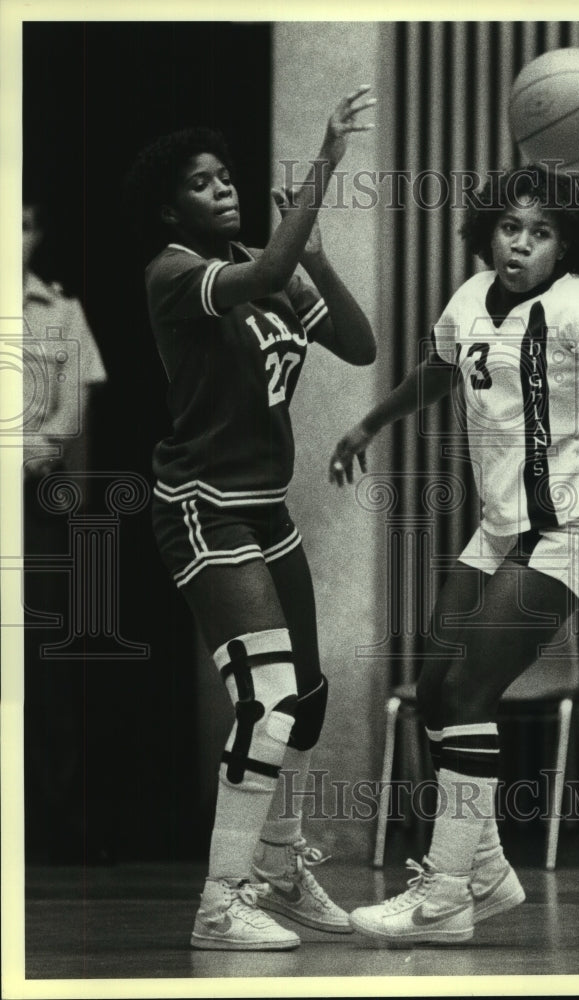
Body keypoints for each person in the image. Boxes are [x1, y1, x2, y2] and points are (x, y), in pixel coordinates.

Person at [329, 166, 579, 944]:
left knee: (473, 688)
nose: (521, 242)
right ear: (489, 231)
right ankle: (490, 871)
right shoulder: (469, 299)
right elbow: (433, 376)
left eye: (541, 233)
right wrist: (367, 426)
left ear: (567, 246)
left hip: (571, 527)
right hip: (501, 528)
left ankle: (444, 898)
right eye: (511, 227)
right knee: (439, 689)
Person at [123, 87, 376, 951]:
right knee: (264, 702)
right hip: (201, 509)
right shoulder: (175, 272)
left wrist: (320, 251)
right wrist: (325, 167)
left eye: (226, 175)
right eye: (202, 182)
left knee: (304, 700)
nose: (224, 188)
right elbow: (265, 276)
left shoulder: (264, 265)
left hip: (264, 510)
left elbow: (360, 343)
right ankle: (221, 900)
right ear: (171, 207)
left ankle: (278, 869)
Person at [22, 200, 109, 863]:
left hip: (31, 501)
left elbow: (77, 404)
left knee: (44, 660)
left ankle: (57, 826)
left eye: (25, 225)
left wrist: (34, 451)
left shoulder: (60, 311)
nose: (15, 238)